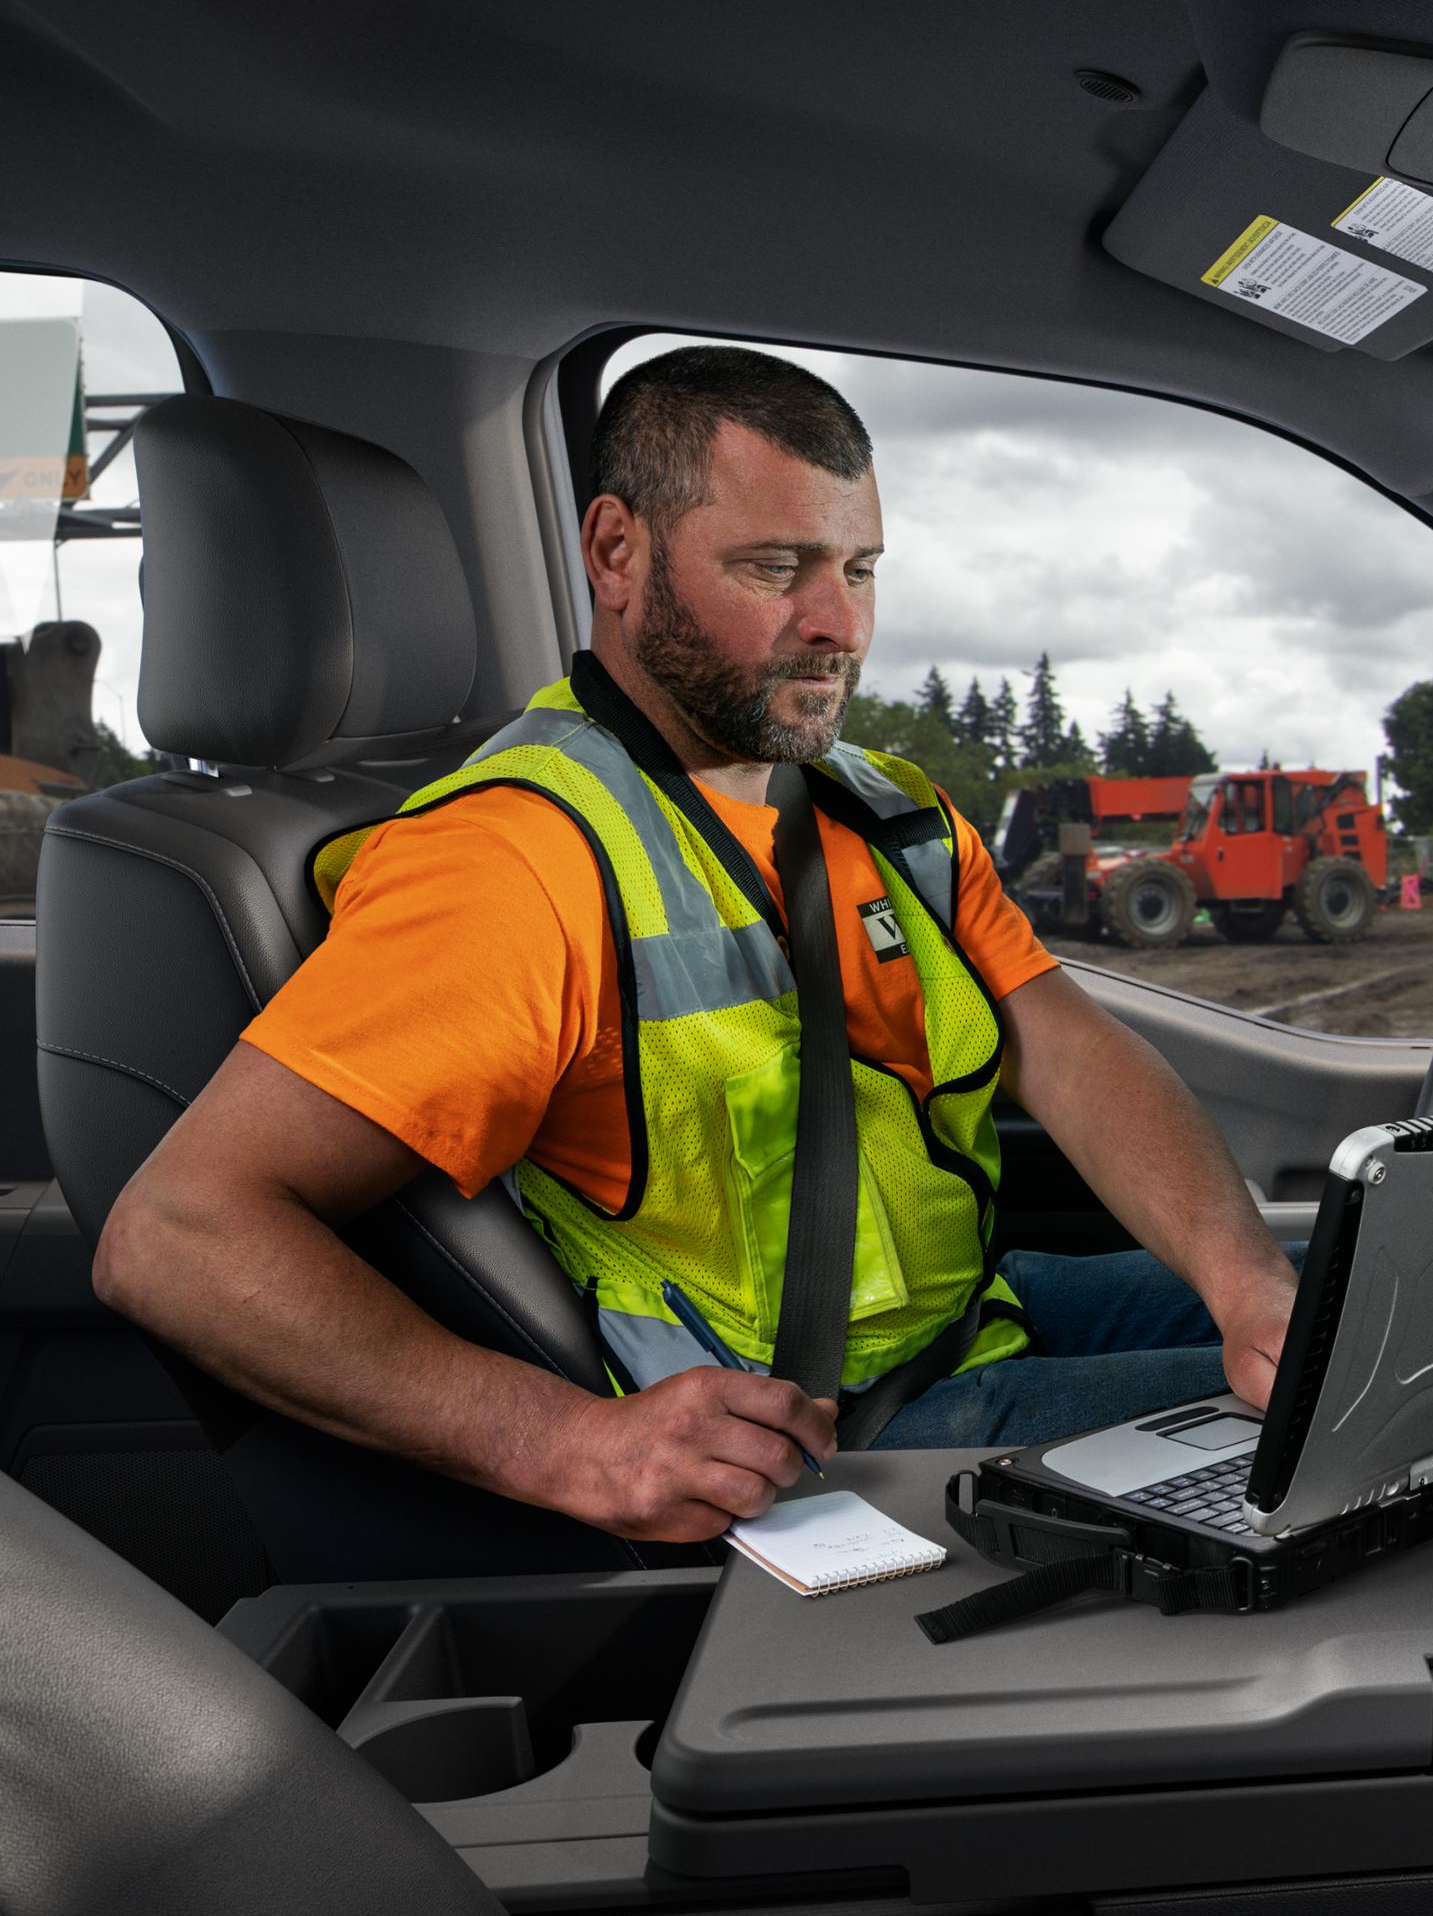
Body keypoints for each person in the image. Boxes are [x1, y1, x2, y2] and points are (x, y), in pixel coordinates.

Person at [94, 346, 1298, 1554]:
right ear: (615, 553)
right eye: (776, 568)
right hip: (840, 1450)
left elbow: (1072, 1052)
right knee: (1355, 1427)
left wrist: (1243, 1279)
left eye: (859, 568)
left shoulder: (889, 813)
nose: (838, 625)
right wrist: (556, 1440)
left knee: (1371, 1324)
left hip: (975, 1318)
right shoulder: (517, 856)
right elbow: (179, 1235)